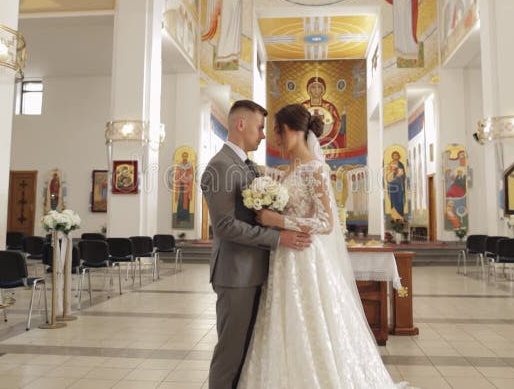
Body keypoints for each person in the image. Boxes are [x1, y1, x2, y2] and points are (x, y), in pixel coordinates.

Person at [239, 103, 411, 388]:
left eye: (278, 131)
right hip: (285, 256)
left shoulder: (316, 169)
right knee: (282, 319)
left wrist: (278, 220)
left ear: (293, 130)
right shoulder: (292, 169)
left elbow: (326, 222)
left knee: (311, 320)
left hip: (305, 257)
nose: (276, 139)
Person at [201, 100, 311, 389]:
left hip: (254, 270)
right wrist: (278, 236)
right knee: (231, 353)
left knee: (248, 352)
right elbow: (225, 226)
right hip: (235, 273)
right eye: (260, 128)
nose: (264, 135)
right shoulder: (220, 166)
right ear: (240, 125)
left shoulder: (246, 165)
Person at [174, 151, 194, 223]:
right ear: (182, 157)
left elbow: (191, 175)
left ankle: (186, 218)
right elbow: (176, 175)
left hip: (187, 186)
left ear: (187, 157)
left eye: (186, 156)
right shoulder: (179, 165)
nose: (185, 157)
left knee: (187, 201)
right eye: (184, 156)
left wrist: (188, 177)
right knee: (180, 201)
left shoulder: (190, 165)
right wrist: (180, 175)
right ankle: (178, 218)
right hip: (181, 185)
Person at [386, 150, 406, 219]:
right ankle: (394, 217)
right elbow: (387, 174)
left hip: (399, 185)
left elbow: (402, 175)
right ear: (392, 156)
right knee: (393, 200)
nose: (395, 156)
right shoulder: (390, 163)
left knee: (399, 199)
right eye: (394, 155)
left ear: (398, 156)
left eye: (396, 155)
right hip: (392, 186)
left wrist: (398, 175)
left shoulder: (400, 164)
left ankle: (400, 216)